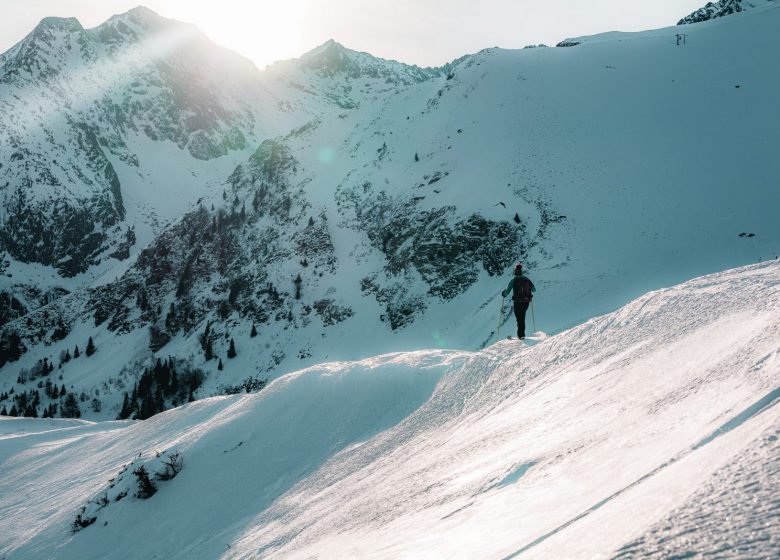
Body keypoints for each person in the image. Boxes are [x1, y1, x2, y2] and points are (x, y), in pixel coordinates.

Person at [501, 263, 536, 339]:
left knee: (519, 318)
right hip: (526, 302)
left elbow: (507, 292)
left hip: (517, 302)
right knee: (522, 317)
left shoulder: (513, 280)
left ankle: (521, 335)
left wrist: (503, 294)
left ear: (515, 271)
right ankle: (521, 334)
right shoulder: (527, 280)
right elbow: (534, 290)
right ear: (521, 271)